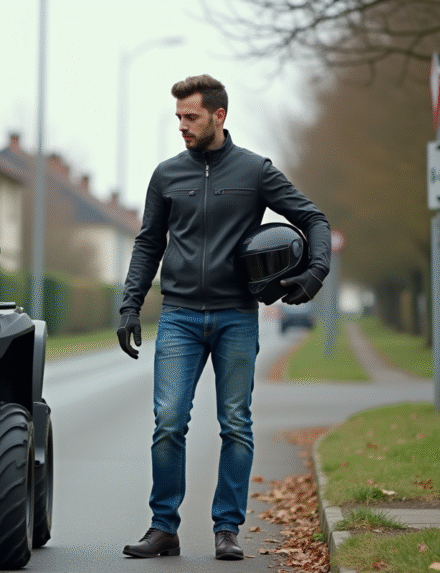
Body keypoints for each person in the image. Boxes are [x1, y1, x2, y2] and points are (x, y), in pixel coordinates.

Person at [117, 74, 331, 561]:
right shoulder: (167, 175)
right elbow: (148, 242)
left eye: (190, 117)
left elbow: (313, 218)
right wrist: (131, 304)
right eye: (178, 117)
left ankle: (227, 528)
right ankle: (163, 527)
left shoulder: (255, 171)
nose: (182, 126)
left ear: (219, 115)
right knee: (168, 421)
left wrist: (314, 273)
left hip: (237, 315)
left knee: (235, 423)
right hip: (179, 317)